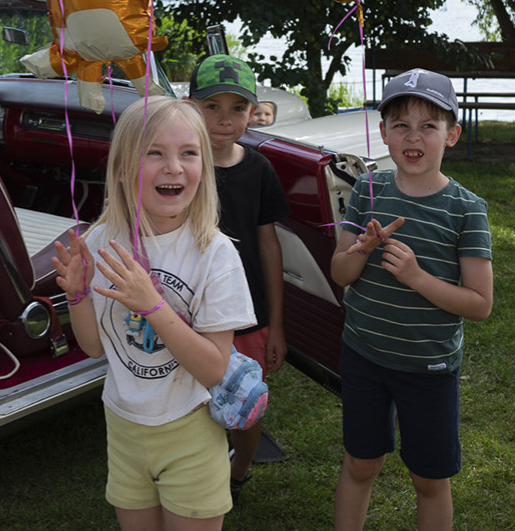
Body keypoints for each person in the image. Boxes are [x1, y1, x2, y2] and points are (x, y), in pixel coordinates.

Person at [53, 96, 256, 530]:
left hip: (190, 432)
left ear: (205, 166)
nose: (174, 167)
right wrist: (77, 297)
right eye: (155, 153)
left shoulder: (214, 254)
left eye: (188, 153)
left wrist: (153, 306)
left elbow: (215, 368)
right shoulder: (103, 239)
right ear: (124, 168)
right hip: (124, 428)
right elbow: (92, 348)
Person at [330, 69, 493, 530]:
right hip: (364, 356)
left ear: (452, 134)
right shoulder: (368, 190)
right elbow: (340, 274)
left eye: (428, 125)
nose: (413, 136)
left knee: (429, 479)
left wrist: (417, 277)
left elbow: (480, 304)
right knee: (360, 464)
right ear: (383, 133)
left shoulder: (466, 209)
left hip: (428, 367)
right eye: (400, 124)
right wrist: (359, 251)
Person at [186, 54, 291, 503]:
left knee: (245, 403)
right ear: (190, 106)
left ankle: (240, 468)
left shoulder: (260, 170)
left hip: (247, 314)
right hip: (187, 310)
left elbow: (270, 245)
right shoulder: (178, 166)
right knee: (191, 402)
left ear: (253, 113)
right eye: (212, 106)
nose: (225, 119)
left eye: (237, 108)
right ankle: (193, 472)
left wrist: (278, 325)